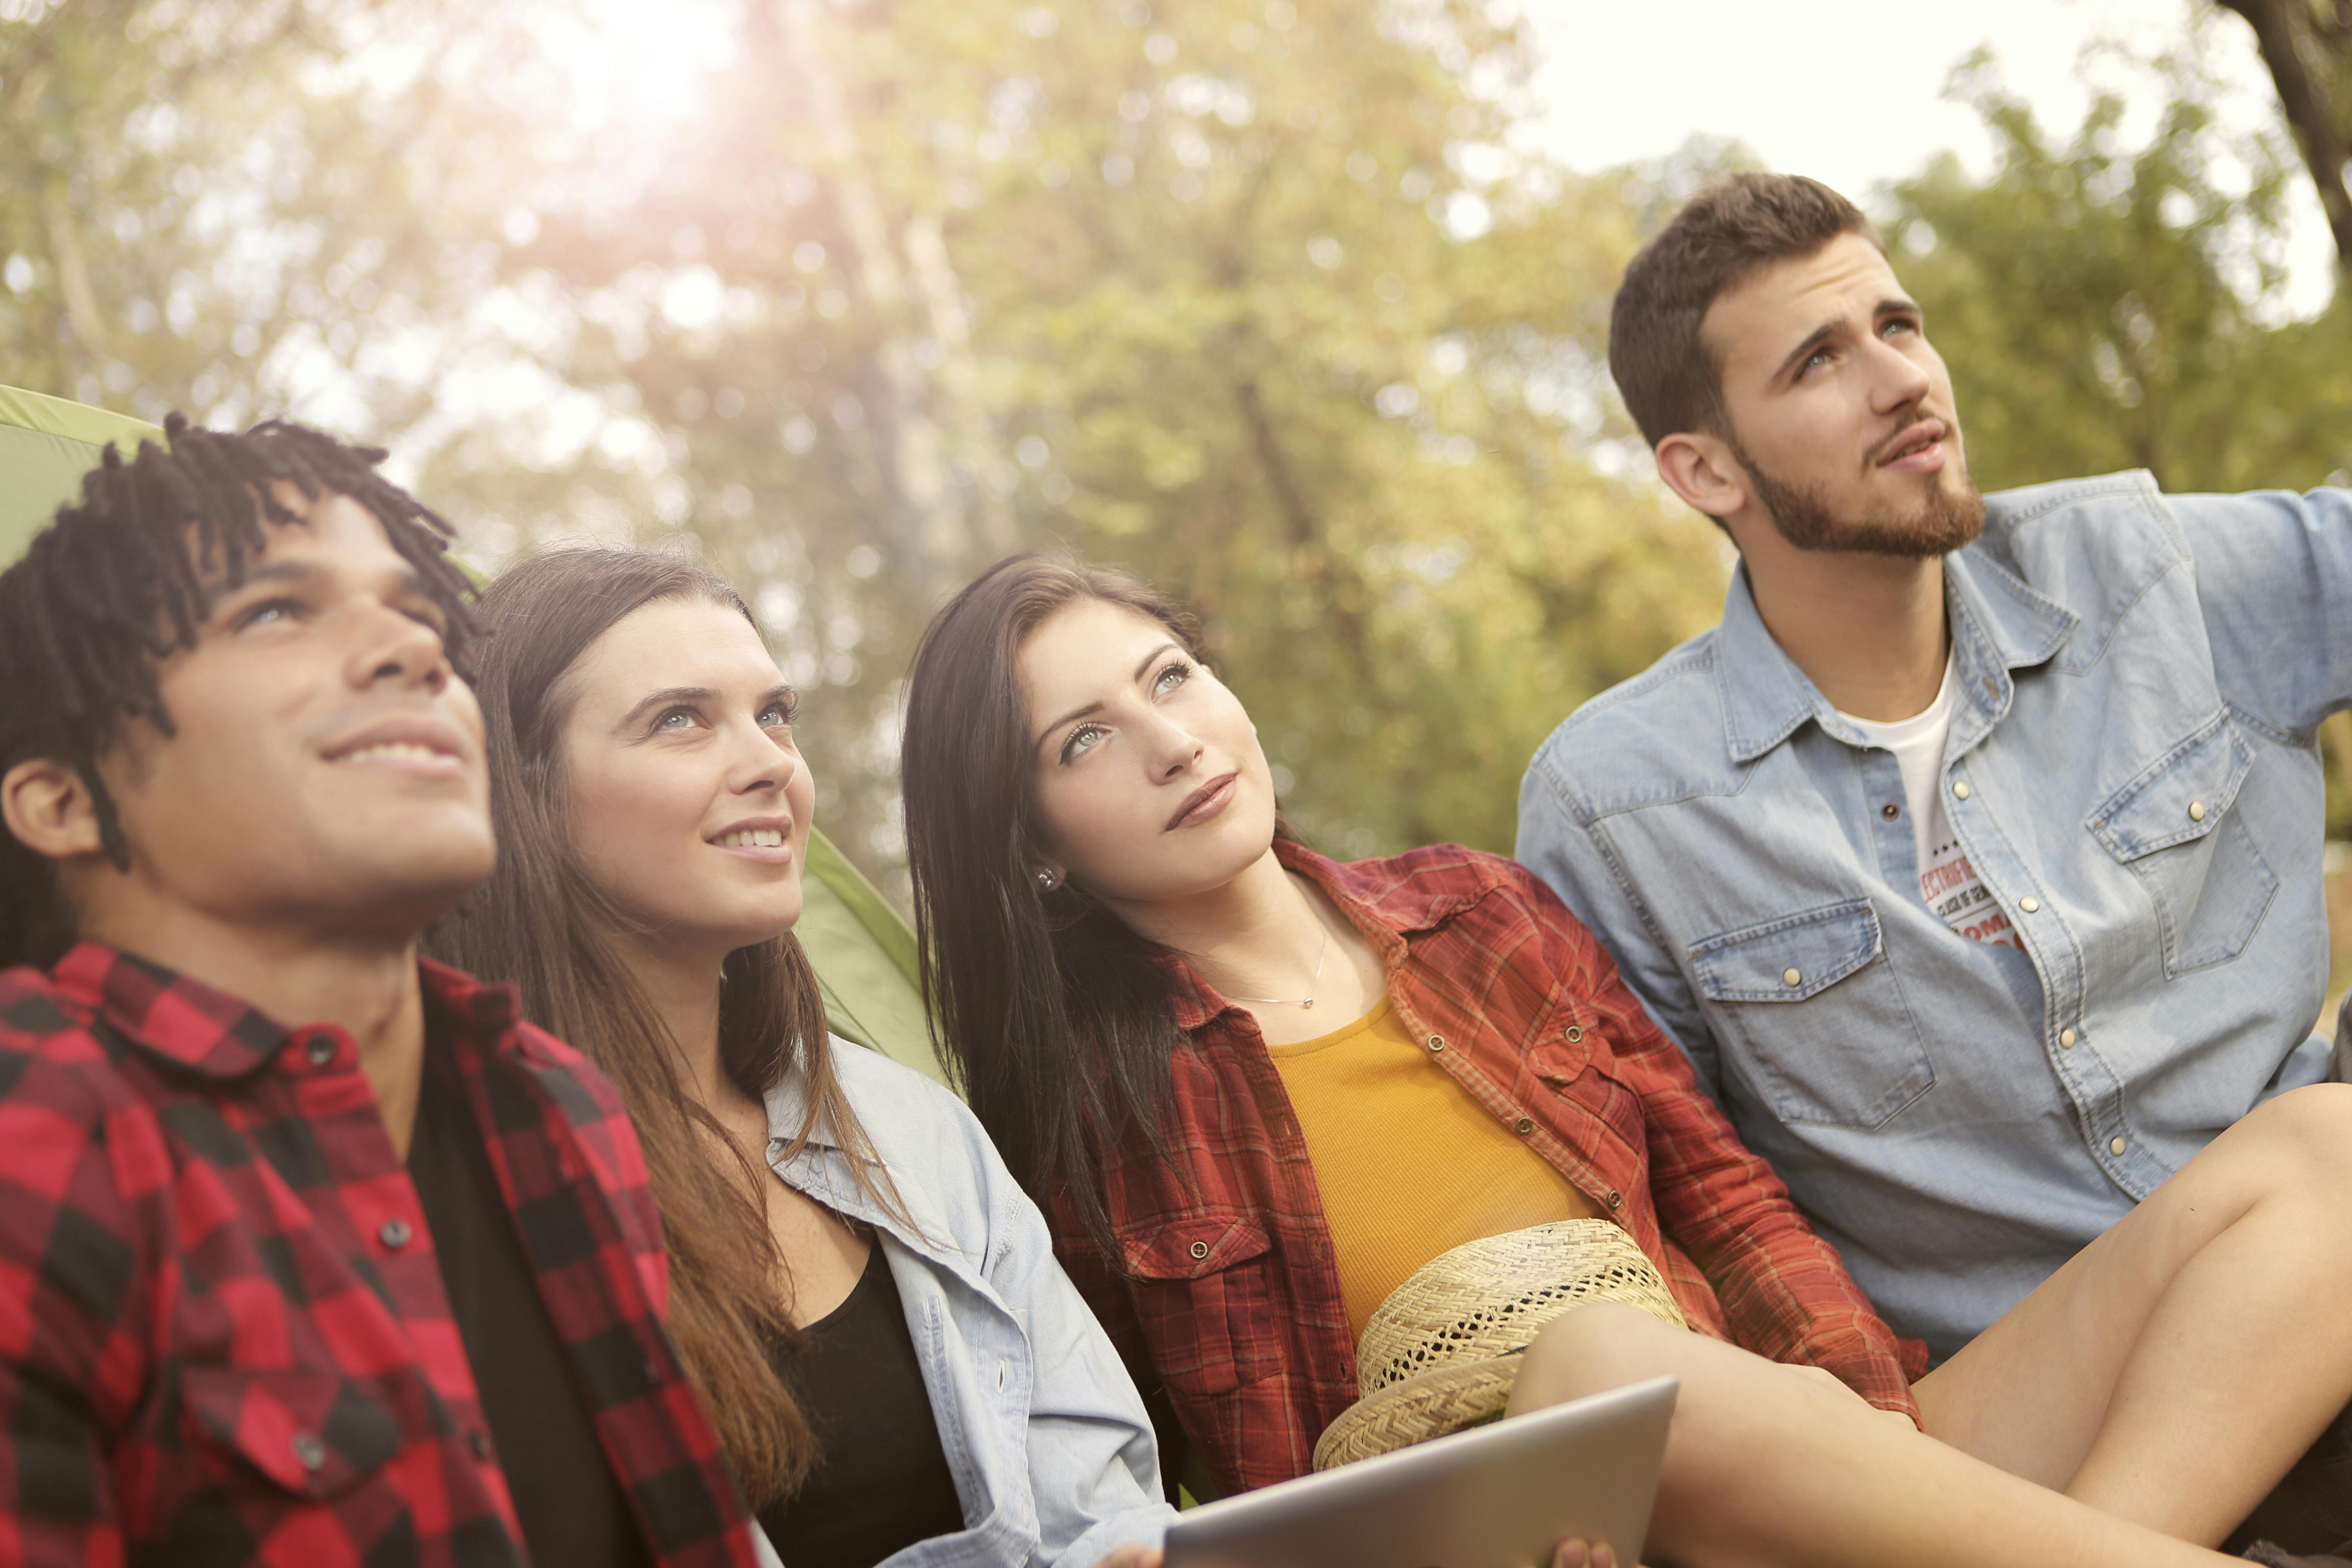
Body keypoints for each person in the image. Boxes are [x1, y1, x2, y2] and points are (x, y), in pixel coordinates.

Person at [897, 551, 2352, 1566]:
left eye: (1173, 674)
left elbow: (1731, 1203)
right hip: (1556, 1534)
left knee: (2323, 1152)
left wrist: (1864, 1436)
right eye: (1088, 739)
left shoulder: (1478, 909)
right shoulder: (1078, 1122)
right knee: (1602, 1364)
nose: (1172, 740)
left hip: (1804, 1460)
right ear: (1029, 846)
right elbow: (1143, 1494)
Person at [1511, 172, 2352, 1373]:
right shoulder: (1619, 809)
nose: (1904, 379)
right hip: (2031, 1402)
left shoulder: (2149, 574)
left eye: (1898, 327)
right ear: (1706, 473)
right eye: (1818, 362)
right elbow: (1671, 1215)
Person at [0, 418, 760, 1566]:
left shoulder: (560, 1106)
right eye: (274, 612)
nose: (411, 652)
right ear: (61, 801)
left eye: (419, 615)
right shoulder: (38, 1137)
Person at [424, 547, 1177, 1568]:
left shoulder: (916, 1135)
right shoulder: (454, 1200)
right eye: (679, 719)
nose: (772, 762)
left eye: (773, 714)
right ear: (524, 794)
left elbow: (1102, 1491)